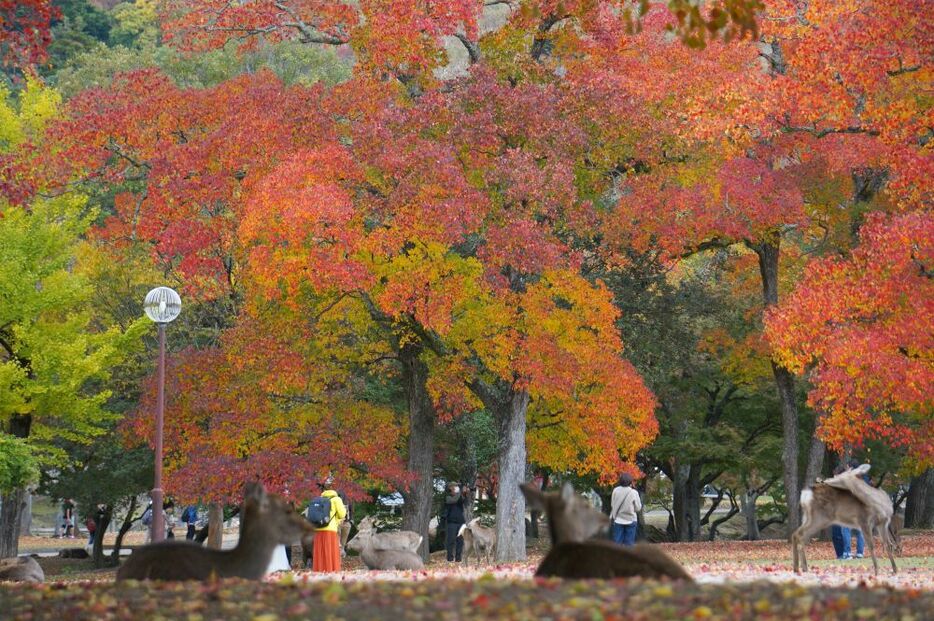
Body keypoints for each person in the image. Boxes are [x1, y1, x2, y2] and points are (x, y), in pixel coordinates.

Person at [312, 478, 347, 573]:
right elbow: (342, 514)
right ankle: (330, 570)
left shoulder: (319, 499)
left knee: (320, 552)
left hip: (318, 529)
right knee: (330, 551)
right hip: (330, 529)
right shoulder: (337, 499)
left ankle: (319, 570)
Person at [610, 473, 642, 546]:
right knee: (629, 544)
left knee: (617, 544)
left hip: (618, 520)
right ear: (630, 482)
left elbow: (612, 504)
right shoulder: (634, 492)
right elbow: (638, 508)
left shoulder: (615, 490)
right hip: (631, 520)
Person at [442, 482, 469, 563]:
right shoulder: (448, 497)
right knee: (450, 541)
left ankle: (458, 559)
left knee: (460, 541)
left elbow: (465, 503)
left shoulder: (459, 497)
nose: (456, 487)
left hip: (461, 522)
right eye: (455, 486)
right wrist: (460, 492)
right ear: (450, 488)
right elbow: (454, 500)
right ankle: (450, 559)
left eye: (457, 486)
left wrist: (465, 494)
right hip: (451, 523)